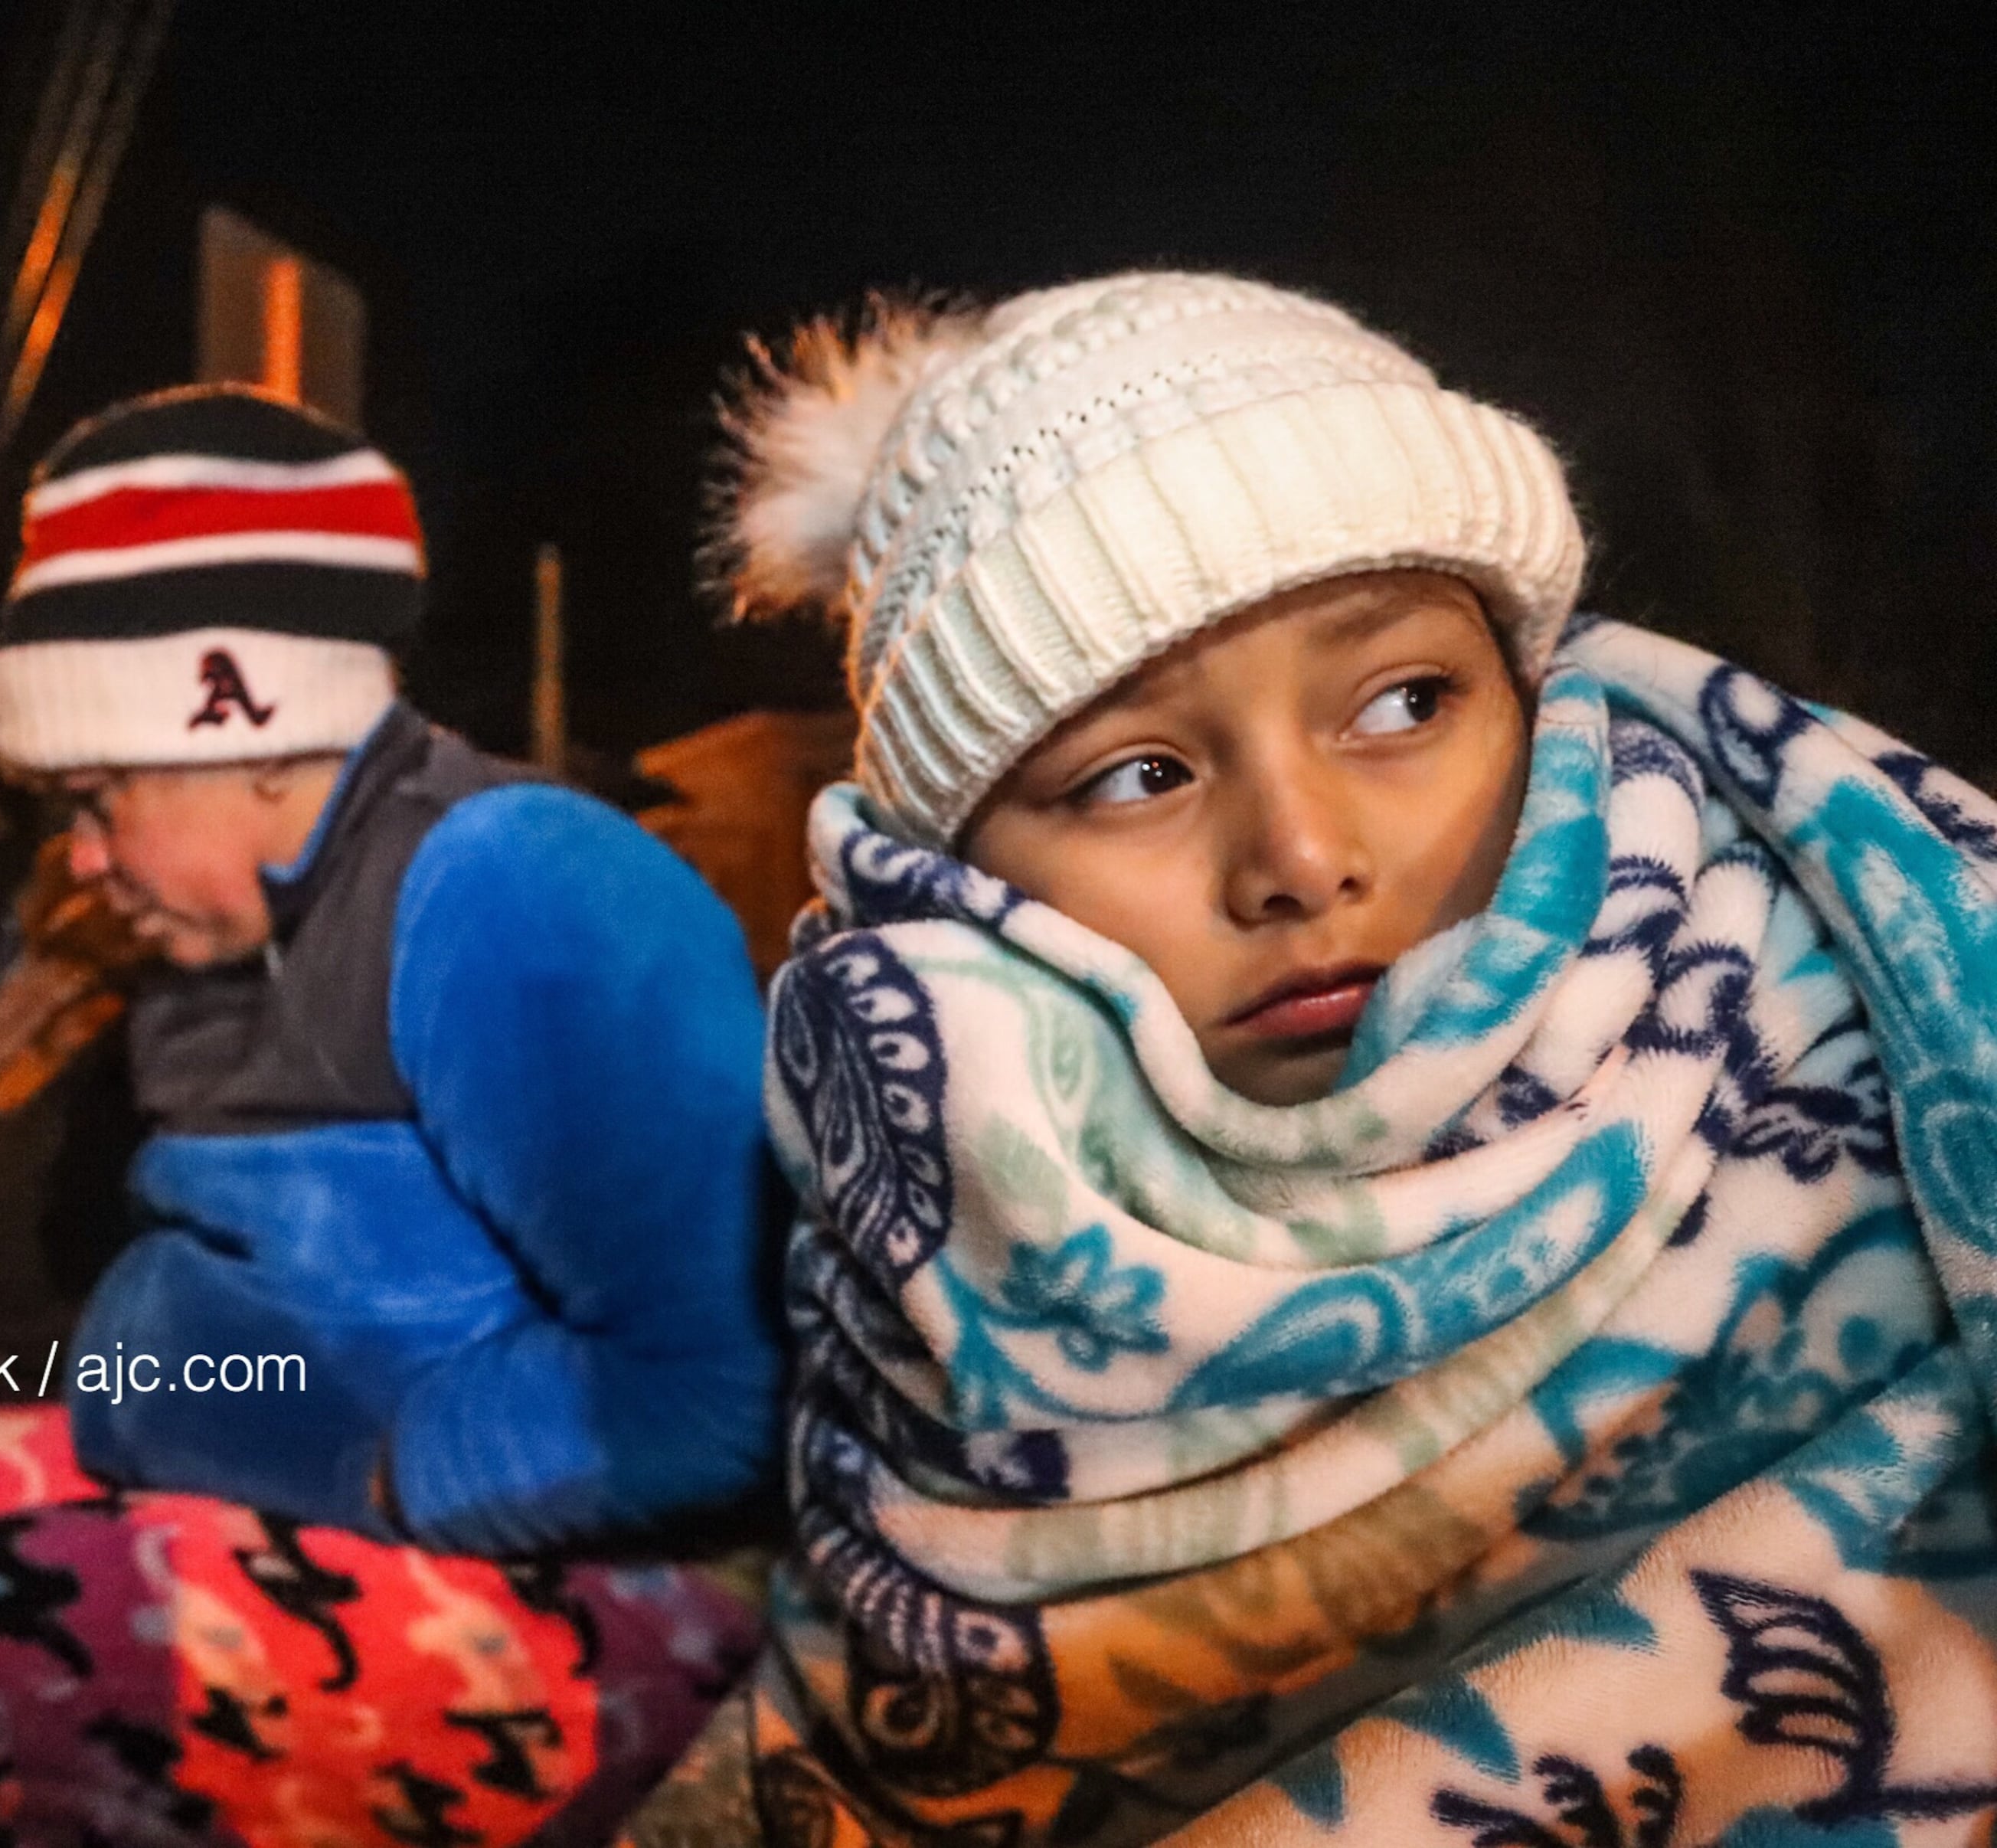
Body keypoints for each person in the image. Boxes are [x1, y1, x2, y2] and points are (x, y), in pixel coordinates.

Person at [620, 272, 1997, 1846]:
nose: (1301, 857)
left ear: (1533, 700)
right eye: (1137, 772)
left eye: (1405, 701)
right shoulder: (904, 1257)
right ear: (959, 888)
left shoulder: (1887, 1081)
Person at [0, 386, 784, 1846]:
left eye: (102, 793)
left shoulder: (509, 888)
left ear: (241, 713)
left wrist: (351, 1463)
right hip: (293, 1486)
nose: (86, 855)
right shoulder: (231, 928)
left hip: (626, 1579)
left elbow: (714, 1386)